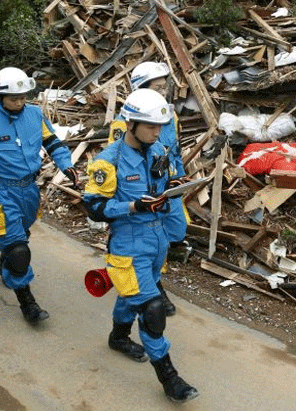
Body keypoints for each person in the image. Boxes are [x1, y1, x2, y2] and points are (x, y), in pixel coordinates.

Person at [83, 88, 198, 403]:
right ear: (130, 123)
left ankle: (118, 338)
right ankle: (170, 379)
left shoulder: (158, 148)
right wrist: (132, 207)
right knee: (151, 309)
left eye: (160, 125)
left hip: (157, 240)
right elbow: (93, 208)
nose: (157, 131)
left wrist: (173, 186)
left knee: (133, 293)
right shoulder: (108, 162)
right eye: (150, 126)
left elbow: (163, 182)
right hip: (128, 244)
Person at [0, 67, 77, 323]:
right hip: (0, 192)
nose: (19, 102)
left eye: (23, 96)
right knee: (19, 251)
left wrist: (65, 163)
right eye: (14, 98)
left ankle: (4, 261)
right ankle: (28, 304)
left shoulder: (35, 115)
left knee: (21, 235)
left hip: (28, 190)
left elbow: (52, 142)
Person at [108, 61, 189, 316]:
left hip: (167, 186)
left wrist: (180, 178)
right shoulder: (124, 124)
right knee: (151, 238)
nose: (163, 91)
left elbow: (174, 151)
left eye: (165, 86)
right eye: (157, 87)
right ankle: (154, 284)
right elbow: (121, 163)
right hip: (142, 192)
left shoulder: (169, 115)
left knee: (176, 229)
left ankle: (148, 279)